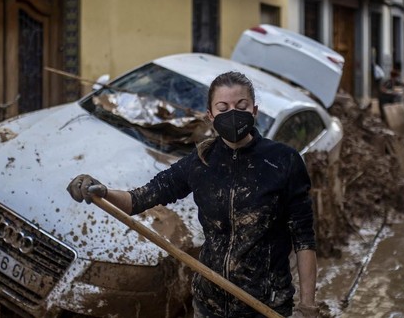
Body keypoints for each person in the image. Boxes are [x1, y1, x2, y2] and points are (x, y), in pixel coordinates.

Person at [66, 71, 319, 318]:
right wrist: (102, 192)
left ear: (254, 110)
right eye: (223, 107)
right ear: (210, 116)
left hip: (265, 305)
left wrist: (307, 307)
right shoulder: (200, 162)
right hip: (209, 304)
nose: (232, 113)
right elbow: (139, 199)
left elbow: (304, 240)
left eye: (241, 105)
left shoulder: (283, 161)